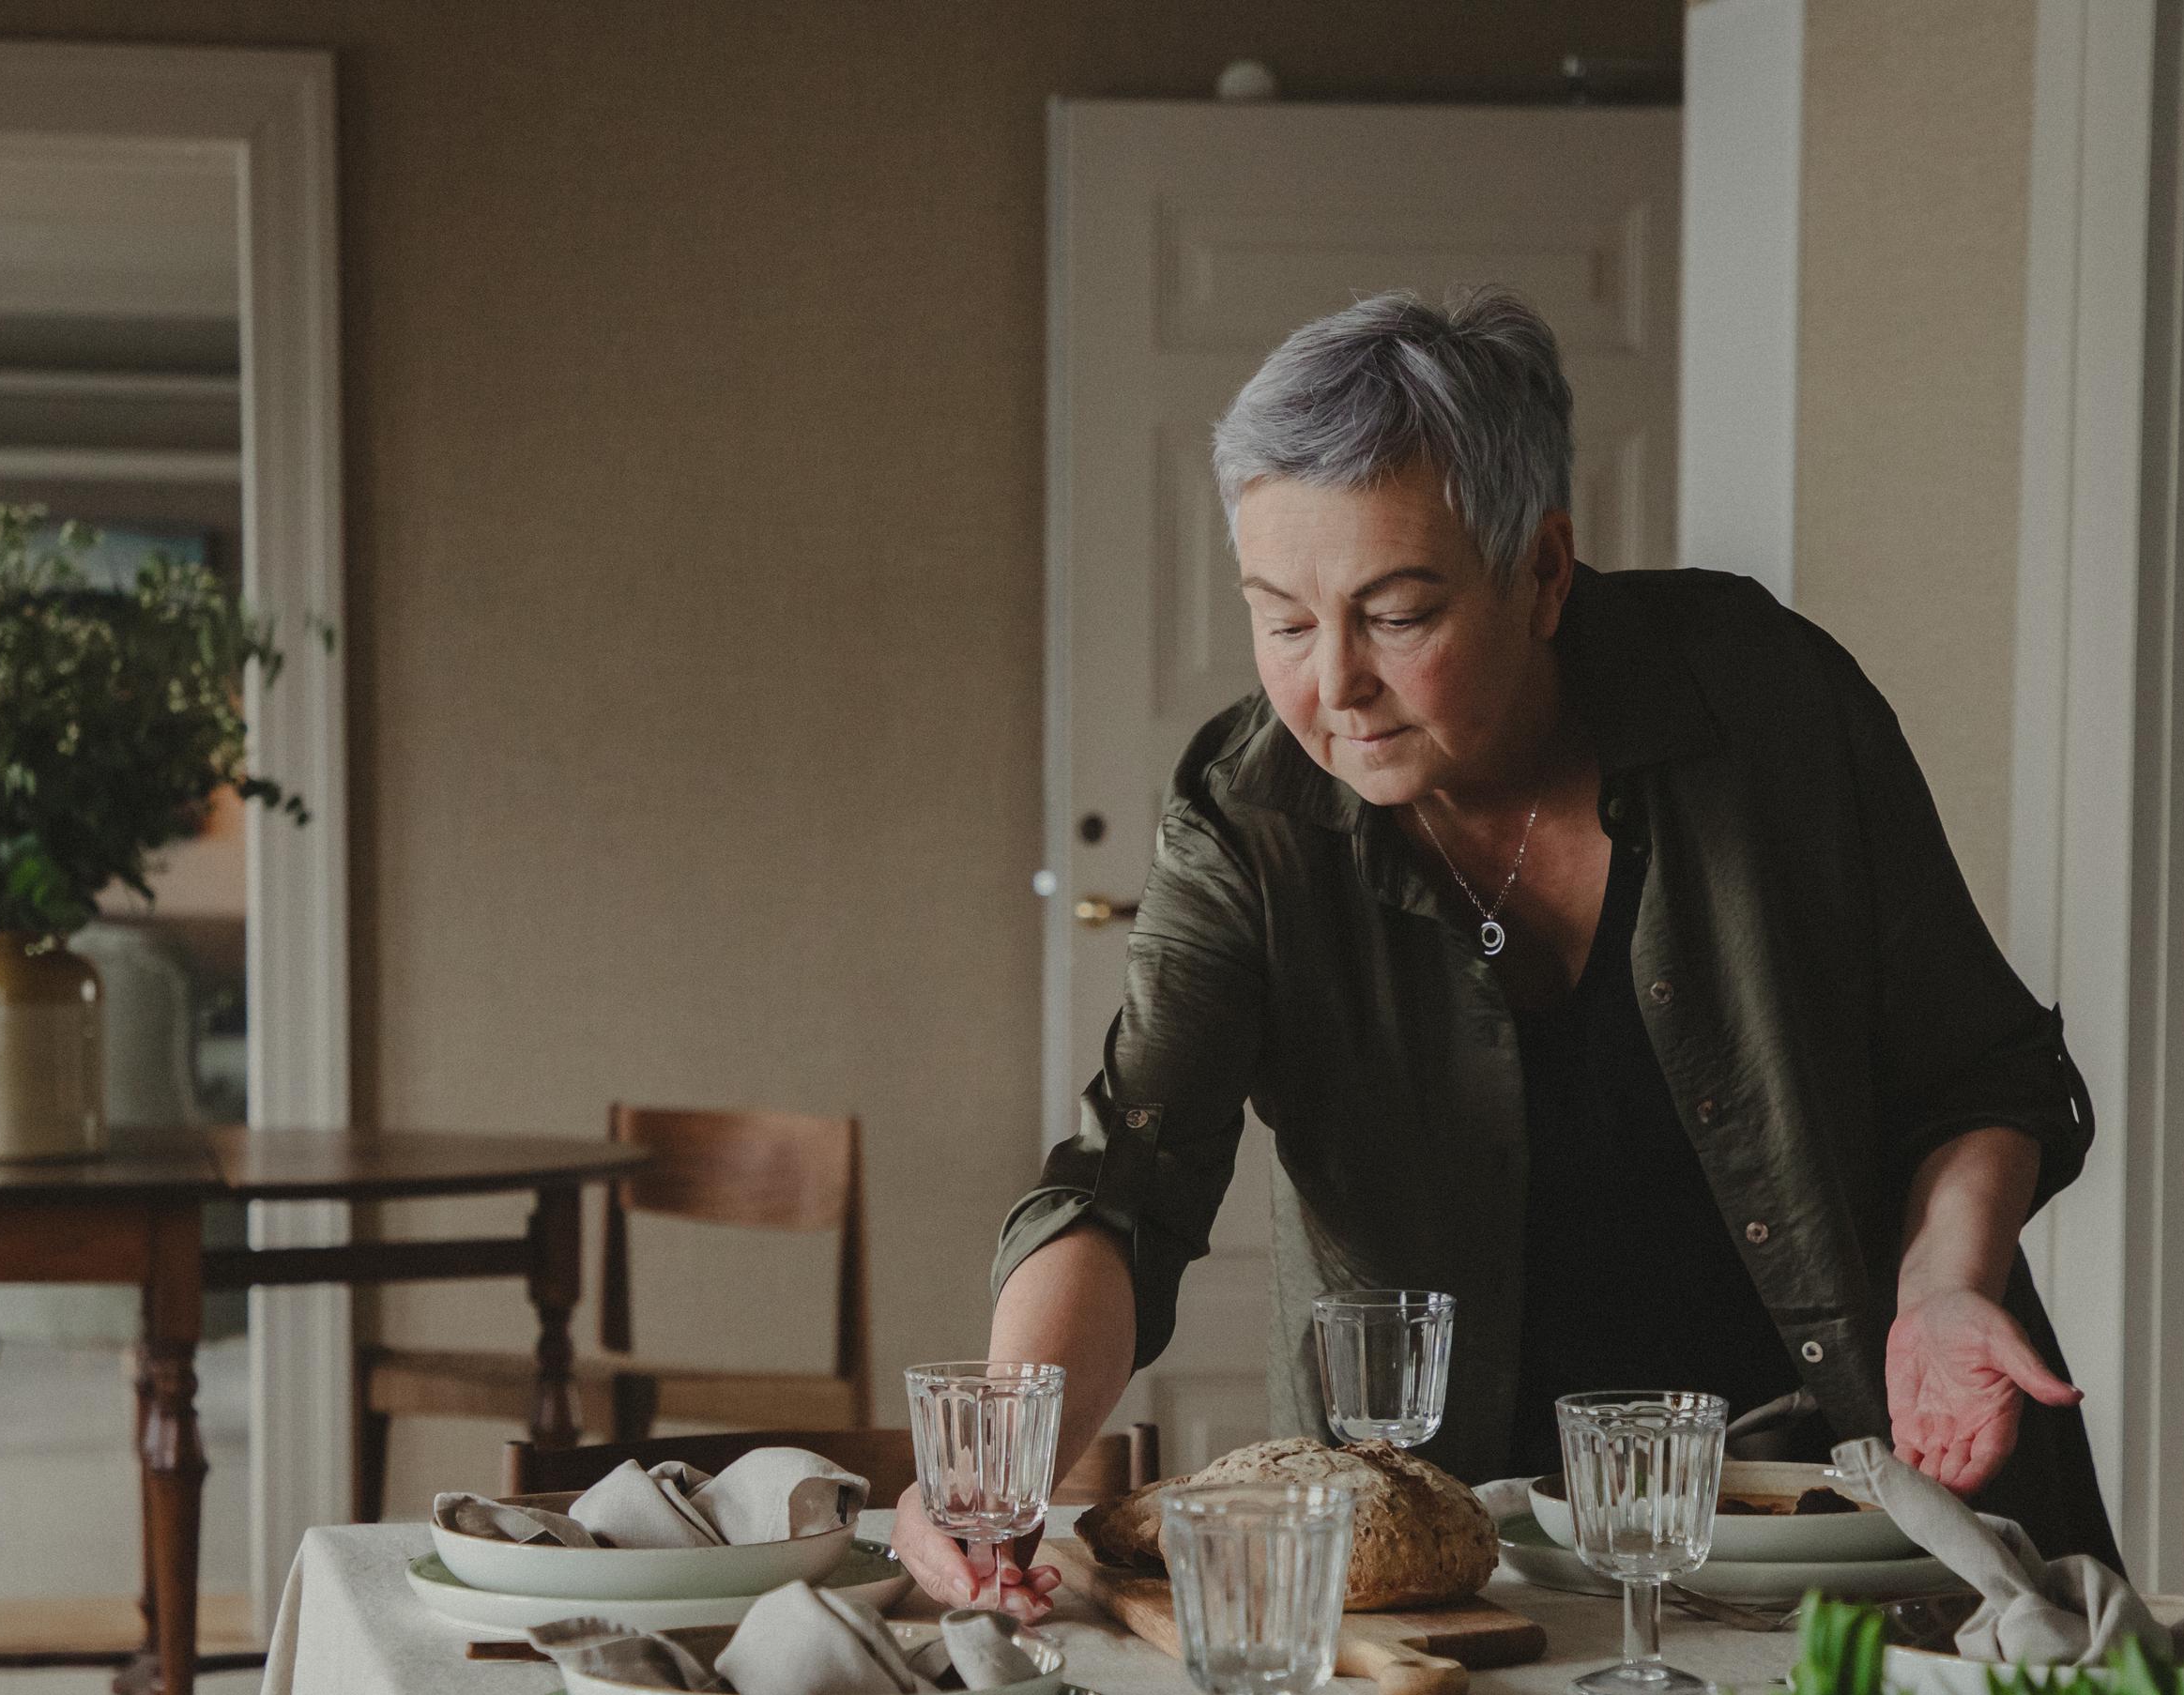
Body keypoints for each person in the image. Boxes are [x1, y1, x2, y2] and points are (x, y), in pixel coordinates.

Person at [894, 289, 2113, 1616]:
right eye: (1284, 621)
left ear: (1541, 571)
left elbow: (1983, 1071)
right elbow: (1131, 1182)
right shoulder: (1248, 814)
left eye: (1398, 614)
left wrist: (1944, 1287)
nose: (1333, 687)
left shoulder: (1765, 703)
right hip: (1482, 1564)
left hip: (1864, 1506)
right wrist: (1000, 1465)